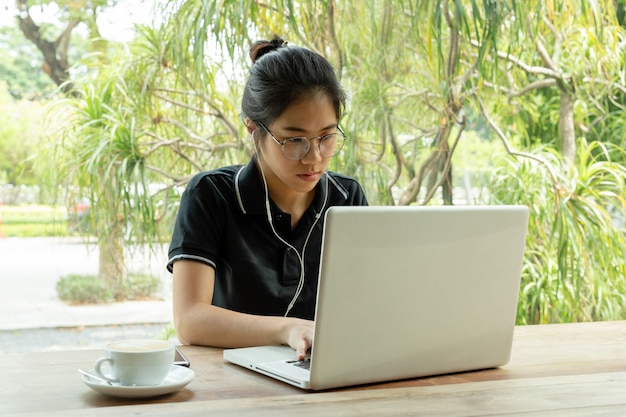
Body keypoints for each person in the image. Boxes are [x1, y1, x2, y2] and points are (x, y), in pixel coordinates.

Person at [167, 36, 368, 360]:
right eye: (294, 140)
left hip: (323, 378)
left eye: (327, 137)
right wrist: (288, 330)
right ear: (252, 127)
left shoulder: (346, 198)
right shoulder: (211, 195)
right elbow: (189, 321)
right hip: (232, 387)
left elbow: (365, 305)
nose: (314, 157)